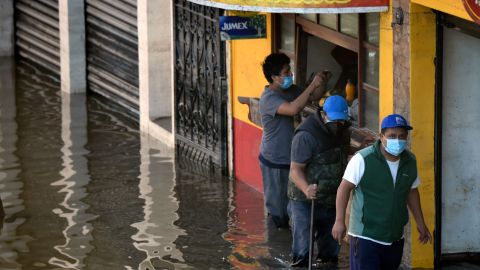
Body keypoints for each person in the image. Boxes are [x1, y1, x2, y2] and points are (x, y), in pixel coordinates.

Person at [332, 114, 432, 270]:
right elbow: (344, 188)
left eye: (402, 136)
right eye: (392, 136)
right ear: (381, 136)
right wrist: (339, 221)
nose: (397, 140)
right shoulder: (363, 159)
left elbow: (411, 191)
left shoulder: (410, 161)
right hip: (365, 236)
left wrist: (421, 223)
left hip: (395, 236)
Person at [259, 53, 327, 228]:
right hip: (275, 160)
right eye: (286, 72)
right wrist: (312, 84)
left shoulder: (290, 90)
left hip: (292, 159)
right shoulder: (269, 99)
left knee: (294, 207)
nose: (290, 75)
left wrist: (321, 81)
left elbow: (312, 96)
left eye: (290, 71)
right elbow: (293, 108)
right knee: (278, 211)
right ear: (274, 77)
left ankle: (288, 239)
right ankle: (275, 240)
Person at [288, 95, 350, 267]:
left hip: (331, 197)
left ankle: (327, 263)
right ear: (324, 115)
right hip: (305, 199)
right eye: (335, 121)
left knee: (330, 246)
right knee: (303, 245)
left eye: (341, 122)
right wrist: (306, 188)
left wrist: (358, 148)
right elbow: (295, 169)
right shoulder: (306, 135)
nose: (338, 125)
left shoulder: (343, 128)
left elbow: (341, 151)